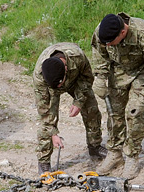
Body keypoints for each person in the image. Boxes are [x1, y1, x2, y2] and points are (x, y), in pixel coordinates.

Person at [91, 12, 144, 180]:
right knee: (114, 113)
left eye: (111, 42)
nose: (108, 44)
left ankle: (132, 156)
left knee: (134, 113)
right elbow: (101, 54)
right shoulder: (102, 32)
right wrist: (101, 78)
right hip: (118, 71)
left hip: (143, 72)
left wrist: (143, 99)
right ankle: (115, 153)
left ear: (123, 32)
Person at [33, 43, 106, 174]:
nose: (61, 88)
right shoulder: (40, 77)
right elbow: (44, 111)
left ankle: (95, 147)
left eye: (61, 84)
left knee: (92, 110)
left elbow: (88, 79)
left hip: (76, 79)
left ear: (66, 69)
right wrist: (53, 133)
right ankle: (44, 161)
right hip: (50, 88)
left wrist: (79, 101)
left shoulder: (78, 57)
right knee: (46, 124)